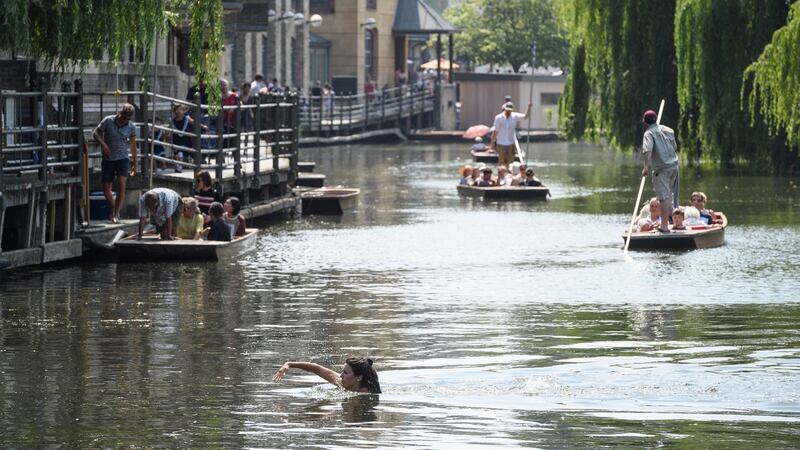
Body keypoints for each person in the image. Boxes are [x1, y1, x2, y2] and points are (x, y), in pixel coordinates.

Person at [94, 103, 138, 224]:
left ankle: (115, 214)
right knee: (106, 188)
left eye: (127, 119)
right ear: (119, 113)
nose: (125, 120)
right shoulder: (108, 121)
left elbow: (133, 145)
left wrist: (135, 163)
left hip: (123, 159)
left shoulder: (131, 127)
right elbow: (96, 133)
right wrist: (104, 144)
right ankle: (114, 209)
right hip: (108, 159)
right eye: (123, 117)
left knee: (121, 183)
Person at [641, 109, 679, 233]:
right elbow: (675, 147)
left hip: (662, 169)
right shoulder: (669, 130)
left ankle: (664, 226)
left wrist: (646, 167)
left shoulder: (648, 133)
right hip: (674, 167)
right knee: (669, 195)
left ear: (644, 122)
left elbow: (648, 150)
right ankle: (671, 222)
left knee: (663, 198)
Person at [272, 357, 381, 394]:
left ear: (359, 377)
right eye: (342, 371)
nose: (341, 376)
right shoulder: (344, 383)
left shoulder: (367, 394)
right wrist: (289, 364)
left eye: (346, 373)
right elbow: (317, 369)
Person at [491, 102, 531, 167]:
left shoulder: (515, 116)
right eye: (507, 110)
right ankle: (501, 174)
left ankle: (509, 174)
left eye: (510, 110)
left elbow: (525, 117)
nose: (508, 112)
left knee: (510, 162)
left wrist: (529, 108)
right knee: (501, 162)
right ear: (504, 109)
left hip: (510, 143)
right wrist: (492, 144)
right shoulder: (498, 117)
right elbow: (495, 131)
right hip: (501, 143)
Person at [170, 104, 206, 172]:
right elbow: (169, 131)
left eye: (180, 109)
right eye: (176, 110)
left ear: (183, 111)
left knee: (191, 152)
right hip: (176, 139)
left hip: (186, 139)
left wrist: (203, 126)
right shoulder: (172, 121)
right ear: (174, 111)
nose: (178, 111)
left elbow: (195, 122)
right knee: (178, 153)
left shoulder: (186, 118)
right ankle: (178, 166)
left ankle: (198, 166)